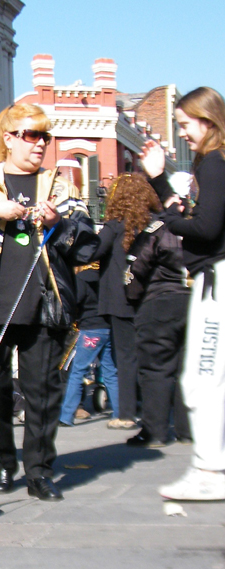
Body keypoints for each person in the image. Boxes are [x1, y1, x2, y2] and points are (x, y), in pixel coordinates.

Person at [0, 104, 99, 501]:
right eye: (31, 135)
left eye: (45, 136)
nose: (40, 144)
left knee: (41, 391)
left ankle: (39, 470)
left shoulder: (58, 186)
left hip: (43, 307)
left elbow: (87, 241)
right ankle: (4, 463)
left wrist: (59, 223)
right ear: (9, 138)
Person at [141, 86, 225, 500]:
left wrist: (170, 221)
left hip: (216, 280)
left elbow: (206, 228)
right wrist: (161, 186)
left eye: (185, 125)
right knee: (201, 377)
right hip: (212, 279)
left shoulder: (213, 163)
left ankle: (211, 469)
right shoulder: (213, 164)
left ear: (206, 121)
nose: (183, 134)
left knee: (202, 377)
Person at [109, 173, 190, 448]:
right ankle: (187, 429)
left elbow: (136, 267)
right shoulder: (200, 228)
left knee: (155, 369)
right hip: (193, 300)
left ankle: (155, 430)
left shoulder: (158, 228)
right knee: (184, 369)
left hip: (158, 301)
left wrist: (132, 297)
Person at [89, 181, 141, 431]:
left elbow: (92, 252)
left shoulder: (114, 225)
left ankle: (126, 413)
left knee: (124, 357)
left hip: (119, 297)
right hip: (144, 296)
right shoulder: (148, 223)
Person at [58, 262, 120, 427]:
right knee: (110, 372)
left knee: (77, 371)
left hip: (90, 328)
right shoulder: (107, 277)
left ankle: (66, 415)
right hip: (107, 328)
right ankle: (119, 413)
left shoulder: (82, 278)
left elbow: (75, 301)